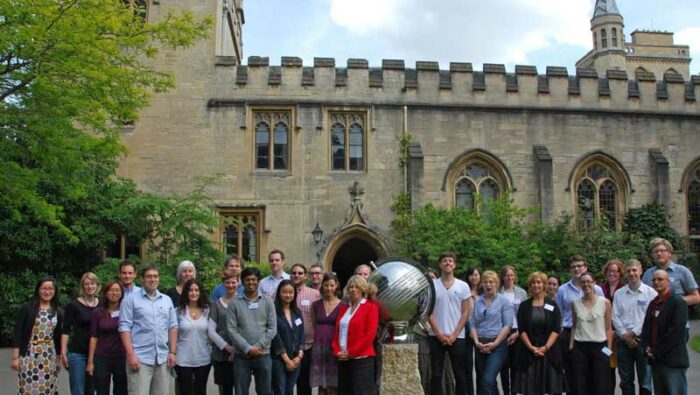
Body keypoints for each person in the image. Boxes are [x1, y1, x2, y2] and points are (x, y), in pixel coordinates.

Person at [119, 264, 178, 395]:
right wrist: (131, 355)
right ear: (142, 279)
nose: (153, 279)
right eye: (149, 276)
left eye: (155, 276)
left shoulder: (166, 300)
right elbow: (124, 328)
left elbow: (173, 327)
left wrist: (172, 352)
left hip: (162, 360)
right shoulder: (130, 300)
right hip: (140, 359)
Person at [554, 255, 603, 395]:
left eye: (579, 266)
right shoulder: (563, 289)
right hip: (569, 332)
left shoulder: (596, 289)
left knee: (591, 369)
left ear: (585, 267)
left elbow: (602, 311)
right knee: (571, 370)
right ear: (570, 270)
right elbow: (559, 312)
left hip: (592, 334)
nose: (576, 269)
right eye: (573, 267)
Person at [226, 267, 277, 395]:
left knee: (265, 391)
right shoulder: (234, 303)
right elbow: (231, 329)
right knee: (240, 391)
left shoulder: (268, 301)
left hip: (263, 354)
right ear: (242, 282)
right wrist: (247, 348)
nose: (251, 282)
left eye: (254, 279)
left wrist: (258, 346)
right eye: (247, 280)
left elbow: (272, 328)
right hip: (241, 355)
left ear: (258, 281)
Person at [512, 272, 564, 395]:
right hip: (529, 349)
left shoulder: (552, 305)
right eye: (533, 283)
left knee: (550, 386)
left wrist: (545, 348)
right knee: (530, 386)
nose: (536, 285)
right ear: (530, 286)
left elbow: (556, 329)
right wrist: (531, 347)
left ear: (544, 284)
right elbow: (522, 329)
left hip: (549, 350)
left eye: (539, 282)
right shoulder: (524, 306)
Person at [175, 278, 229, 395]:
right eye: (190, 290)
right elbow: (174, 336)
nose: (193, 293)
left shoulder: (208, 311)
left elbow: (213, 332)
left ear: (200, 292)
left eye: (196, 290)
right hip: (183, 359)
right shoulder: (178, 311)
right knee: (185, 391)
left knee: (201, 391)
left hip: (203, 357)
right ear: (186, 292)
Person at [428, 252, 472, 395]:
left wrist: (454, 334)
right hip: (436, 336)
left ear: (455, 265)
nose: (448, 263)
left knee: (459, 374)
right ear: (440, 264)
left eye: (450, 261)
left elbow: (465, 312)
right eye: (445, 261)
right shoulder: (432, 286)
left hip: (457, 336)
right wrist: (439, 334)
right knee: (436, 374)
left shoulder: (463, 286)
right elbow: (429, 312)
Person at [11, 276, 63, 394]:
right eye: (44, 288)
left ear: (55, 291)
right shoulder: (27, 309)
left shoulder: (58, 311)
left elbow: (58, 337)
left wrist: (59, 359)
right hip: (29, 354)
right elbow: (17, 333)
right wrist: (15, 358)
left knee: (48, 387)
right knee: (28, 385)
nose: (47, 292)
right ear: (38, 290)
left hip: (49, 356)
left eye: (50, 289)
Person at [612, 259, 656, 395]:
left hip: (642, 341)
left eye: (634, 270)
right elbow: (614, 316)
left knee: (645, 381)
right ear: (625, 273)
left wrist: (633, 333)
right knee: (626, 381)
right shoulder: (619, 293)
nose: (632, 273)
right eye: (629, 270)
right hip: (623, 342)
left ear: (641, 271)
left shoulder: (650, 293)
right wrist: (624, 335)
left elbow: (649, 318)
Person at [641, 270, 689, 395]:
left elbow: (676, 333)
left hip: (672, 360)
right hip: (656, 360)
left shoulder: (677, 302)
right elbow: (646, 328)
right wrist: (646, 347)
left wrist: (656, 350)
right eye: (654, 280)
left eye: (660, 279)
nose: (656, 282)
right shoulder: (654, 303)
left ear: (668, 281)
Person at [642, 237, 699, 342]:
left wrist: (671, 302)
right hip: (654, 324)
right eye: (655, 251)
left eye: (662, 251)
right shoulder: (648, 274)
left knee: (675, 356)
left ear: (669, 253)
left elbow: (696, 298)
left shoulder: (682, 271)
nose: (659, 254)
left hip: (677, 323)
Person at [332, 275, 379, 395]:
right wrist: (337, 350)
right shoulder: (344, 309)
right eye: (351, 287)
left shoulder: (371, 308)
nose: (353, 289)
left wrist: (351, 353)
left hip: (361, 361)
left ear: (363, 289)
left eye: (357, 287)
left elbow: (370, 335)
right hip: (343, 359)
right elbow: (337, 332)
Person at [569, 272, 613, 395]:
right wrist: (571, 346)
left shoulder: (605, 303)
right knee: (580, 383)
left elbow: (608, 328)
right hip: (580, 347)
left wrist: (608, 350)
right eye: (583, 282)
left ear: (594, 283)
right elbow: (574, 326)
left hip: (599, 346)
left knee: (600, 384)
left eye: (589, 281)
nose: (586, 284)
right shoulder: (575, 303)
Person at [470, 270, 513, 395]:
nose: (488, 285)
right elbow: (472, 323)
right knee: (485, 382)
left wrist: (495, 343)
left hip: (497, 344)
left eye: (491, 282)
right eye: (485, 282)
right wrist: (477, 341)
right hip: (480, 344)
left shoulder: (504, 301)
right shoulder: (478, 301)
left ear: (497, 284)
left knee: (488, 380)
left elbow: (507, 325)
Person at [62, 272, 100, 395]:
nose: (90, 286)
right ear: (82, 287)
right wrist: (63, 351)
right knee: (78, 390)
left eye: (92, 283)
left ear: (97, 285)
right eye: (87, 284)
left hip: (96, 354)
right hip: (77, 353)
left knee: (91, 390)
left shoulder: (102, 304)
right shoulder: (73, 305)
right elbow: (65, 330)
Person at [87, 281, 128, 395]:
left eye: (117, 290)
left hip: (121, 356)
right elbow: (93, 337)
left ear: (122, 293)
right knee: (101, 390)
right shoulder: (97, 312)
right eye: (111, 290)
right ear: (105, 293)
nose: (114, 293)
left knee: (121, 390)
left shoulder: (127, 311)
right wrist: (90, 362)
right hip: (102, 357)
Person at [311, 273, 346, 395]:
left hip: (334, 346)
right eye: (326, 285)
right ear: (322, 286)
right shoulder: (315, 305)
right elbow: (313, 324)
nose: (329, 288)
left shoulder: (344, 306)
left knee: (334, 382)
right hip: (319, 347)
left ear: (336, 286)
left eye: (332, 285)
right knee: (322, 383)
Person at [290, 263, 321, 395]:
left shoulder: (315, 294)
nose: (297, 275)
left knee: (304, 381)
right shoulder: (284, 291)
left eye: (300, 273)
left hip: (308, 344)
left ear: (305, 276)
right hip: (289, 344)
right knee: (287, 381)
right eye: (294, 273)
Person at [271, 280, 305, 395]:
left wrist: (300, 355)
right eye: (284, 292)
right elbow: (275, 337)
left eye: (291, 292)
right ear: (279, 293)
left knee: (289, 390)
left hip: (296, 358)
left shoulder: (297, 312)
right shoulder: (273, 312)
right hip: (278, 359)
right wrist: (286, 360)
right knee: (280, 390)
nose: (288, 295)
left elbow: (301, 334)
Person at [209, 269, 239, 395]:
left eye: (233, 282)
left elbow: (246, 327)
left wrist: (236, 349)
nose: (230, 285)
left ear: (238, 282)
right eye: (227, 282)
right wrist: (228, 348)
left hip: (241, 353)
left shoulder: (243, 302)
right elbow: (211, 331)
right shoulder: (216, 305)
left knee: (240, 387)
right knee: (225, 389)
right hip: (221, 354)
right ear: (223, 284)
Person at [498, 265, 526, 395]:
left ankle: (514, 391)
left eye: (511, 275)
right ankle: (506, 391)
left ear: (514, 276)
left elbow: (526, 314)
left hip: (517, 331)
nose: (509, 277)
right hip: (502, 330)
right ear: (502, 277)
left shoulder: (521, 292)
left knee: (516, 365)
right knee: (504, 365)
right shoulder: (498, 292)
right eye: (506, 275)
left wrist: (519, 332)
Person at [600, 259, 625, 393]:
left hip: (619, 334)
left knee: (622, 369)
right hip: (602, 334)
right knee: (606, 366)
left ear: (620, 273)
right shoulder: (600, 288)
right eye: (610, 271)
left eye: (615, 271)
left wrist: (616, 331)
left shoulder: (624, 289)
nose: (612, 273)